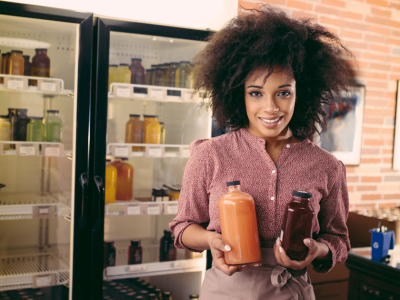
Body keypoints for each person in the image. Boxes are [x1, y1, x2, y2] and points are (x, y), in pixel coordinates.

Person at [170, 5, 354, 300]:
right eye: (256, 93)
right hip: (225, 291)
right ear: (237, 94)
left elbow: (339, 241)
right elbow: (182, 227)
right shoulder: (210, 155)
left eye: (283, 92)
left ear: (301, 92)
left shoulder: (327, 166)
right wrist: (210, 240)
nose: (270, 107)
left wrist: (315, 251)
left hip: (291, 291)